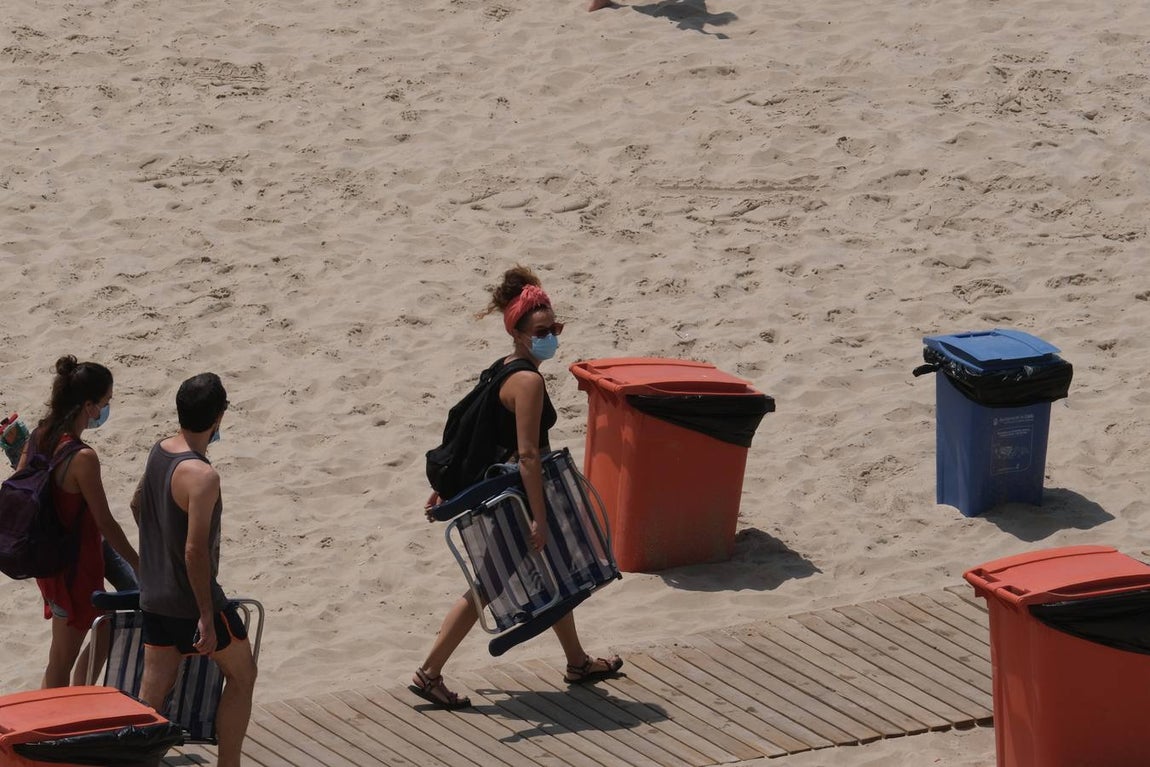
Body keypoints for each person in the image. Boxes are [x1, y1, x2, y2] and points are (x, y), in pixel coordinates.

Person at [411, 266, 622, 709]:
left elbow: (472, 432)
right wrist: (538, 517)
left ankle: (578, 662)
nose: (552, 336)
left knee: (559, 574)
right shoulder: (527, 381)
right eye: (543, 330)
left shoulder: (504, 368)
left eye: (556, 327)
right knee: (489, 583)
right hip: (521, 495)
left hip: (512, 489)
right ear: (521, 333)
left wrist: (454, 488)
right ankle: (429, 672)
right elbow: (528, 454)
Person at [132, 373, 256, 767]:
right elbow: (194, 552)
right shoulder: (203, 476)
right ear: (219, 417)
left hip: (155, 597)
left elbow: (138, 505)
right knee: (243, 675)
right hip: (191, 603)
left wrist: (156, 555)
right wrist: (205, 613)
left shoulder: (159, 451)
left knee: (152, 699)